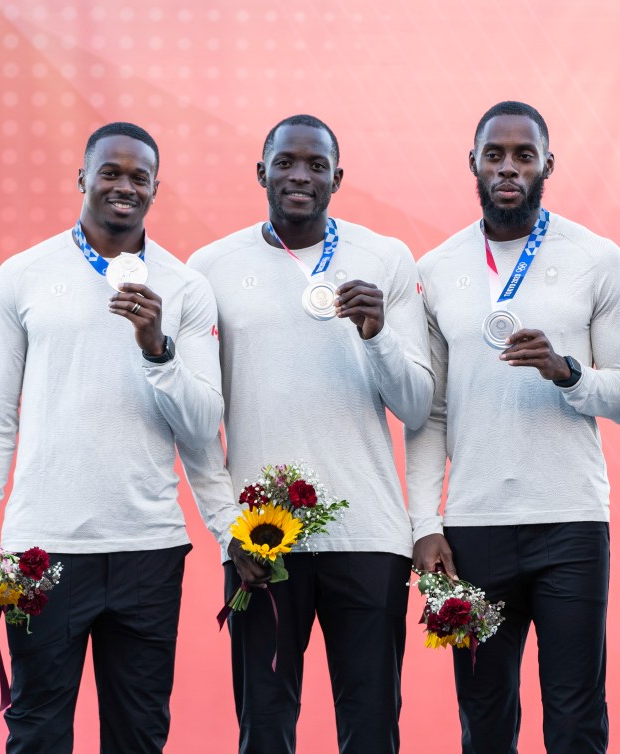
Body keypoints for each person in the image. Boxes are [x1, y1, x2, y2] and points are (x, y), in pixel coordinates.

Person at [0, 122, 230, 753]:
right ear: (82, 177)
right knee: (36, 733)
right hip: (43, 550)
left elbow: (199, 428)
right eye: (110, 172)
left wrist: (157, 349)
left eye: (139, 177)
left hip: (148, 550)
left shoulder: (185, 287)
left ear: (156, 189)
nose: (124, 186)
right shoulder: (23, 274)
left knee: (138, 736)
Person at [183, 114, 433, 754]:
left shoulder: (386, 259)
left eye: (317, 165)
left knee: (372, 728)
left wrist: (378, 336)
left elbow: (416, 404)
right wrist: (226, 529)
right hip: (261, 541)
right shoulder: (208, 268)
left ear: (337, 178)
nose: (300, 176)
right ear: (261, 171)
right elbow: (196, 420)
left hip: (371, 535)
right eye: (287, 162)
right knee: (264, 729)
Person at [405, 100, 620, 754]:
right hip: (474, 528)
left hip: (569, 522)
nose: (508, 167)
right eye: (495, 155)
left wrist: (568, 373)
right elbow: (430, 413)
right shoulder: (436, 269)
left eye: (523, 155)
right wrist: (425, 525)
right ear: (473, 164)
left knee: (575, 715)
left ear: (547, 166)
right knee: (483, 716)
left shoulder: (597, 258)